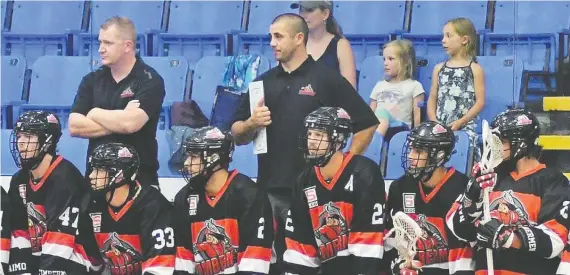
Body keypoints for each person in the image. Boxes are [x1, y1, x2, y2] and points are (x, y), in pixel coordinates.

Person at [230, 13, 378, 273]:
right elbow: (235, 133)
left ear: (299, 38)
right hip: (270, 190)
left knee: (312, 265)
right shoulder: (261, 82)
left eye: (278, 36)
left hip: (317, 193)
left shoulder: (326, 78)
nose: (272, 43)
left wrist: (345, 167)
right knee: (276, 265)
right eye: (270, 37)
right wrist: (251, 123)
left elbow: (367, 123)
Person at [446, 109, 570, 274]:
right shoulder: (490, 176)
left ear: (521, 143)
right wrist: (471, 198)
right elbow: (456, 229)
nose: (494, 148)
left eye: (501, 142)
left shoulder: (553, 181)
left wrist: (510, 238)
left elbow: (555, 239)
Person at [282, 107, 385, 275]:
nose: (312, 141)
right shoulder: (304, 180)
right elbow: (300, 251)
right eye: (310, 134)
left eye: (319, 135)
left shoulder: (364, 173)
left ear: (338, 140)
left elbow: (367, 250)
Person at [69, 16, 165, 188]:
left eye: (108, 43)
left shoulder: (150, 80)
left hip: (139, 181)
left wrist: (94, 113)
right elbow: (74, 126)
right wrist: (119, 119)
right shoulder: (91, 80)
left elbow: (130, 124)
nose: (101, 49)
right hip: (97, 179)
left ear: (127, 46)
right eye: (100, 42)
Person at [6, 110, 103, 274]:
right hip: (44, 255)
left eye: (28, 137)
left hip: (78, 256)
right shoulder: (19, 180)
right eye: (19, 136)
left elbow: (61, 239)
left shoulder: (65, 178)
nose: (20, 143)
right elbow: (18, 231)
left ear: (47, 141)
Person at [172, 126, 273, 275]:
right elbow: (183, 264)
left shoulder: (249, 195)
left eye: (193, 156)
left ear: (214, 159)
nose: (187, 163)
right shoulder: (184, 198)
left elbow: (254, 266)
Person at [384, 121, 474, 275]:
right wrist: (398, 266)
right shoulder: (399, 188)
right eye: (411, 149)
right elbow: (392, 243)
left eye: (418, 151)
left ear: (438, 155)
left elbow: (468, 249)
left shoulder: (464, 189)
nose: (410, 156)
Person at [86, 142, 175, 275]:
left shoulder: (153, 205)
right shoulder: (91, 204)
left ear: (118, 175)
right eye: (93, 169)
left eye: (99, 170)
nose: (91, 176)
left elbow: (160, 267)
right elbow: (91, 264)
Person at [427, 17, 485, 161]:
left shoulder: (475, 69)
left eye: (448, 36)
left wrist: (460, 122)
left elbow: (480, 102)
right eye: (443, 36)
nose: (443, 40)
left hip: (464, 129)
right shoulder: (438, 68)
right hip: (440, 127)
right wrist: (434, 121)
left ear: (464, 40)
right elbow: (432, 98)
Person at [291, 1, 357, 88]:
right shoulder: (293, 44)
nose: (303, 15)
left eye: (309, 10)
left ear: (325, 14)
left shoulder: (341, 46)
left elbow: (350, 92)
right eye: (301, 10)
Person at [369, 39, 425, 137]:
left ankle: (373, 144)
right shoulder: (379, 85)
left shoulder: (414, 86)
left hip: (400, 128)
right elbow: (370, 111)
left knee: (381, 114)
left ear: (406, 62)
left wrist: (416, 135)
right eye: (384, 59)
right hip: (378, 123)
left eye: (390, 59)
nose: (385, 63)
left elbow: (417, 115)